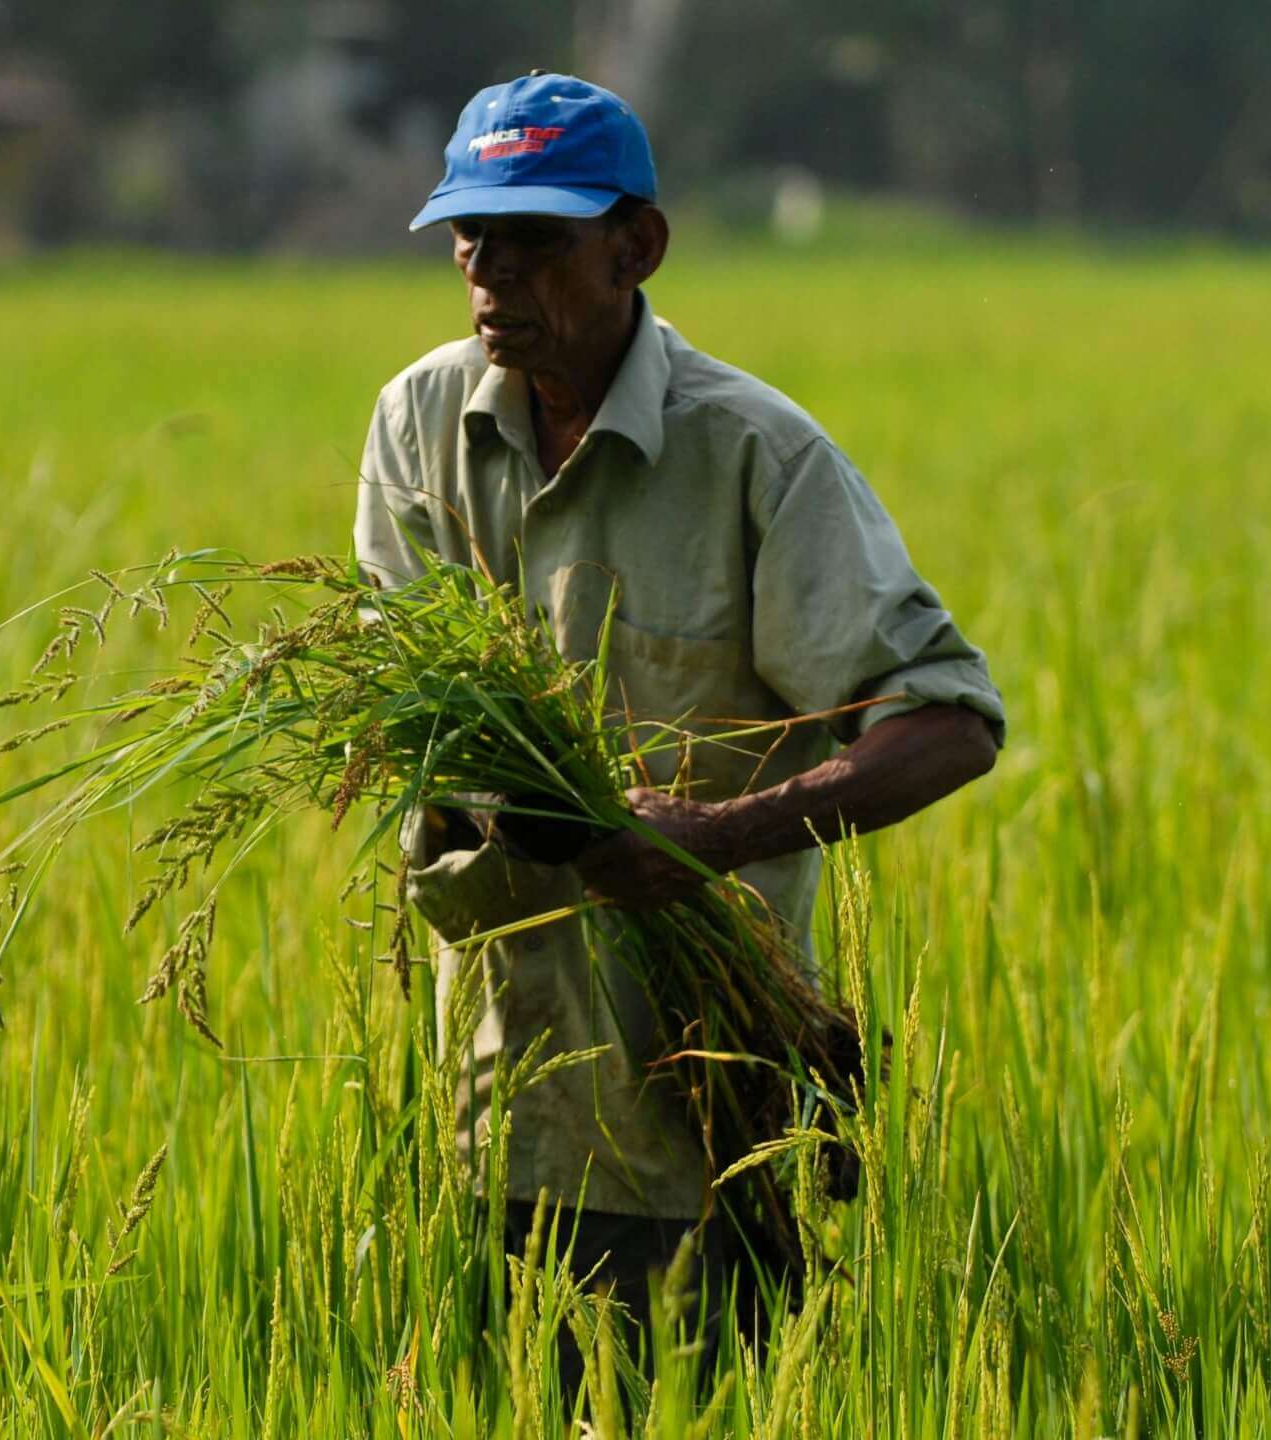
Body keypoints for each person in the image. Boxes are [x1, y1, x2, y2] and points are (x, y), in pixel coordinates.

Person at [352, 71, 1006, 1379]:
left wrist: (719, 833)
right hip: (494, 1092)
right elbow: (399, 693)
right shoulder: (421, 423)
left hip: (710, 1101)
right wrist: (490, 787)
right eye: (470, 239)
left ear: (635, 245)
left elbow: (951, 719)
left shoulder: (756, 455)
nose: (489, 276)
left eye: (534, 240)